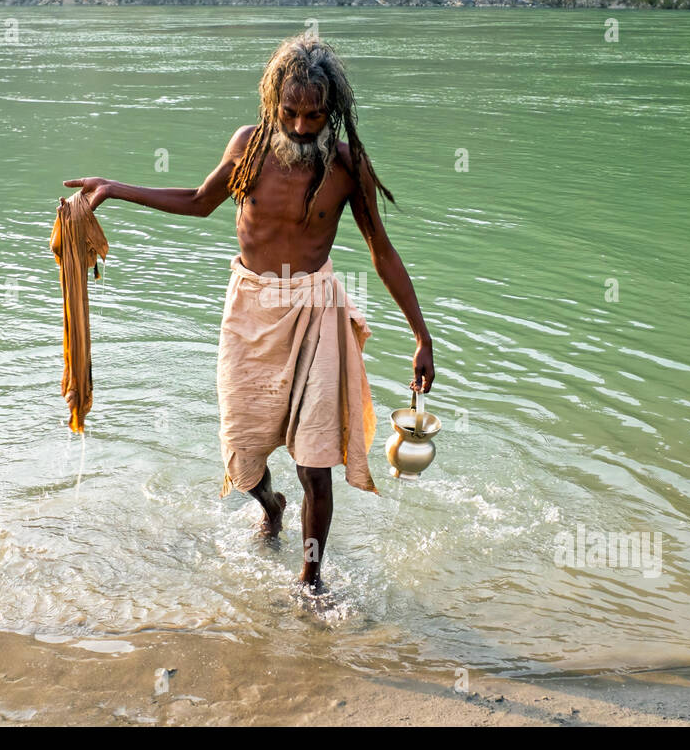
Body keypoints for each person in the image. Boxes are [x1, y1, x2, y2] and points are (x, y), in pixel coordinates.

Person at [64, 31, 434, 591]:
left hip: (315, 311)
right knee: (243, 457)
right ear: (272, 103)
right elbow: (199, 201)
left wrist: (421, 335)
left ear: (331, 110)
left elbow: (381, 251)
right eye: (291, 113)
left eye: (315, 116)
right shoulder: (249, 148)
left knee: (316, 463)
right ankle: (270, 505)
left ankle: (311, 581)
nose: (303, 127)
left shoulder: (346, 165)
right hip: (251, 309)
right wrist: (114, 189)